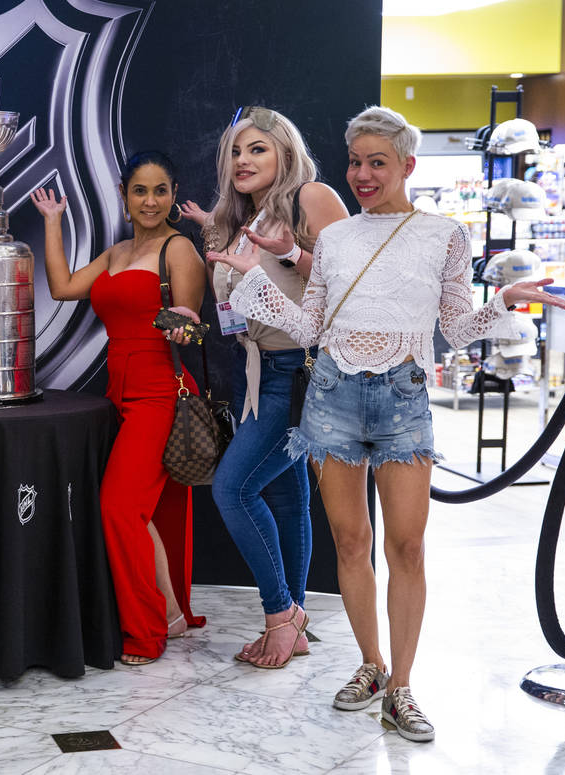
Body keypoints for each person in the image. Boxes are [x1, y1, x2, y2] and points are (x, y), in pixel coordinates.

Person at [210, 106, 565, 741]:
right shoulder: (338, 239)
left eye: (377, 162)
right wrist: (255, 281)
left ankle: (402, 688)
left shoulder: (443, 235)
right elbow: (311, 327)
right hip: (331, 397)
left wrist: (503, 305)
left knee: (406, 547)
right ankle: (371, 667)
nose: (361, 174)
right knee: (351, 545)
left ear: (407, 165)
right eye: (355, 161)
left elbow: (457, 331)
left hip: (403, 397)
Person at [31, 151, 207, 665]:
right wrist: (52, 223)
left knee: (120, 508)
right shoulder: (116, 252)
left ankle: (145, 633)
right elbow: (63, 287)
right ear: (124, 195)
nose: (150, 201)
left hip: (159, 391)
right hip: (118, 393)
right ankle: (170, 613)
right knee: (138, 513)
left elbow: (193, 326)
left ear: (173, 194)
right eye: (139, 190)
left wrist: (184, 322)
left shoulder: (180, 250)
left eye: (160, 190)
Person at [199, 107, 348, 669]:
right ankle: (296, 622)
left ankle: (281, 615)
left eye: (257, 148)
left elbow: (350, 280)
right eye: (236, 151)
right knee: (287, 496)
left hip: (297, 372)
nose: (243, 160)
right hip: (254, 372)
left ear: (285, 151)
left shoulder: (311, 196)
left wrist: (288, 252)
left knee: (234, 491)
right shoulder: (247, 216)